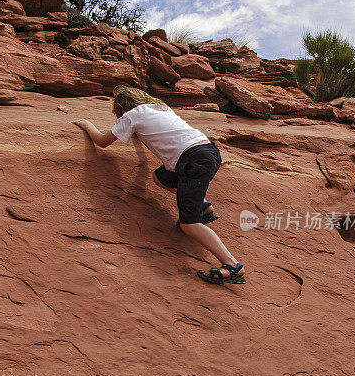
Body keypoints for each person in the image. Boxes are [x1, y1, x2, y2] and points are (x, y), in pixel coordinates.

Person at [73, 85, 245, 285]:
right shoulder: (161, 107)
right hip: (207, 152)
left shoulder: (132, 115)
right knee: (161, 177)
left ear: (121, 108)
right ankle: (204, 207)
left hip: (192, 161)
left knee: (189, 225)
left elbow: (102, 141)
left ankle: (232, 266)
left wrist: (87, 125)